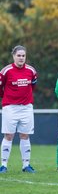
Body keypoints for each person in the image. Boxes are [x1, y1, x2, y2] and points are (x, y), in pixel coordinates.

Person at [0, 45, 37, 173]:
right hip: (10, 107)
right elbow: (0, 88)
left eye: (23, 55)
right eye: (19, 55)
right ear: (13, 56)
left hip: (26, 108)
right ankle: (3, 165)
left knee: (25, 135)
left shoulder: (31, 71)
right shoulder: (6, 71)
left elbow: (33, 86)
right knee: (9, 135)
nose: (21, 58)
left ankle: (26, 165)